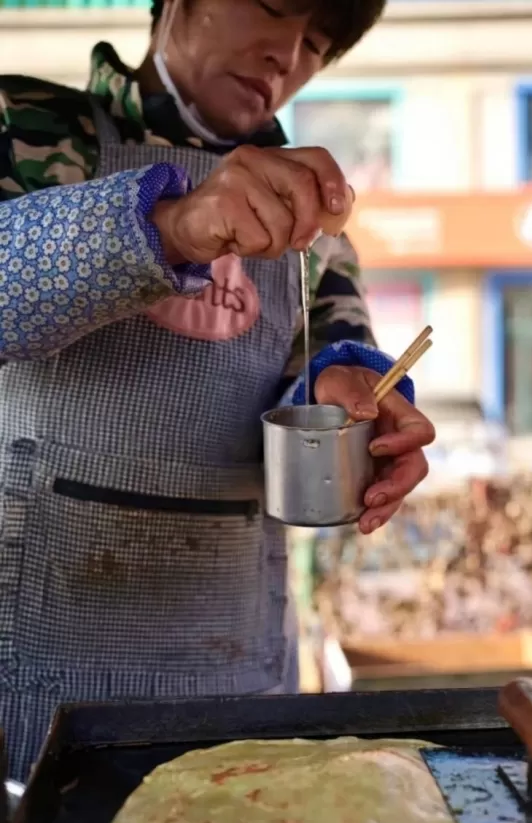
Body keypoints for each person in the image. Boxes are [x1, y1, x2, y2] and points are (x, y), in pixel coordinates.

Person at [0, 0, 435, 781]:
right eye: (272, 8)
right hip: (29, 686)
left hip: (233, 673)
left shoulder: (313, 224)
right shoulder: (31, 128)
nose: (287, 57)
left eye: (318, 42)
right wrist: (168, 226)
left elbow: (331, 361)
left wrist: (353, 404)